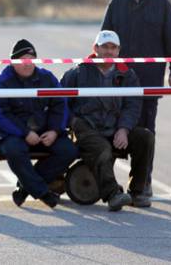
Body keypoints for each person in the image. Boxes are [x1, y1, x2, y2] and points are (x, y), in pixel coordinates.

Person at [101, 0, 171, 196]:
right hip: (119, 80)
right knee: (116, 128)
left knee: (146, 131)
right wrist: (101, 67)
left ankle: (142, 182)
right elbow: (104, 38)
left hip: (149, 79)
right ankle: (107, 180)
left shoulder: (161, 4)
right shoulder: (117, 3)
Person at [61, 31, 154, 211]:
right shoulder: (78, 72)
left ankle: (137, 192)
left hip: (115, 128)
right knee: (102, 149)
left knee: (145, 137)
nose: (109, 52)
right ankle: (113, 195)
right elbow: (60, 100)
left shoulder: (127, 75)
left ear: (118, 51)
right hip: (87, 129)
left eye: (113, 48)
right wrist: (73, 122)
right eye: (105, 47)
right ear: (95, 48)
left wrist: (124, 129)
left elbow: (133, 104)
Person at [0, 39, 79, 208]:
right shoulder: (1, 82)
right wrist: (24, 133)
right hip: (10, 133)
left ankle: (24, 189)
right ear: (13, 62)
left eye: (31, 59)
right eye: (22, 60)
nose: (27, 64)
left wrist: (55, 131)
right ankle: (43, 193)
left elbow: (60, 104)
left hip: (44, 131)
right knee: (15, 150)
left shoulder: (47, 77)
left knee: (68, 150)